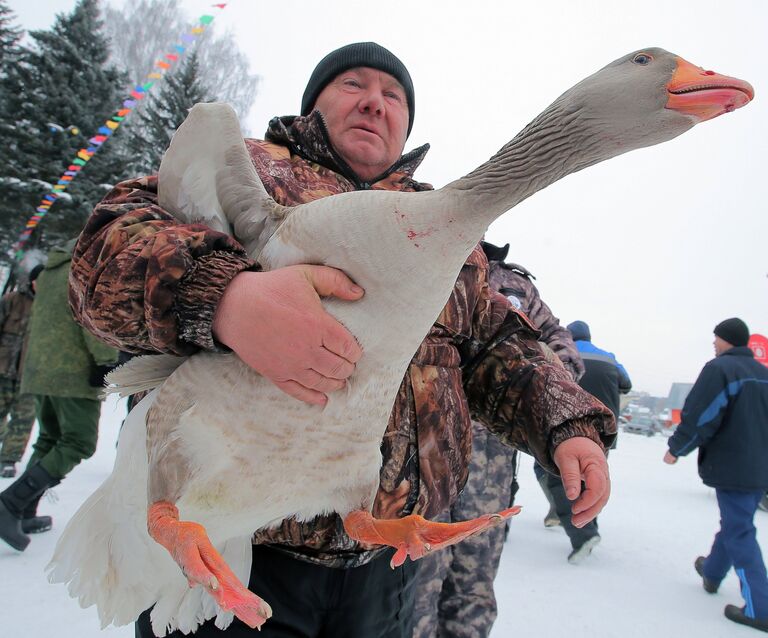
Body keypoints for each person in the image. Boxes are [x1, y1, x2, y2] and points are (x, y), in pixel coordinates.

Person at [68, 42, 616, 637]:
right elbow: (104, 252)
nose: (375, 104)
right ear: (314, 103)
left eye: (394, 97)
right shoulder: (253, 171)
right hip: (241, 555)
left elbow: (497, 344)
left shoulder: (449, 238)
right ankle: (169, 519)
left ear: (407, 125)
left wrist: (566, 426)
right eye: (354, 85)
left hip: (384, 568)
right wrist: (222, 296)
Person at [412, 240, 585, 638]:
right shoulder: (426, 258)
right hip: (423, 452)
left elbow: (560, 347)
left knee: (474, 575)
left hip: (490, 461)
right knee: (417, 576)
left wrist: (536, 385)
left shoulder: (515, 285)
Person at [0, 239, 118, 551]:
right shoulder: (86, 266)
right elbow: (92, 316)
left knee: (49, 438)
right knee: (78, 441)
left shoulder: (52, 269)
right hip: (73, 372)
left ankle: (24, 512)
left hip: (40, 369)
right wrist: (105, 360)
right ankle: (10, 503)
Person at [664, 317, 768, 633]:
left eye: (716, 338)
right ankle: (712, 571)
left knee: (739, 531)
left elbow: (701, 414)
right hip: (759, 467)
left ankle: (760, 608)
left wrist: (676, 448)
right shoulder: (764, 374)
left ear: (727, 340)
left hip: (734, 465)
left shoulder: (720, 369)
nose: (713, 343)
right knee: (736, 522)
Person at [532, 319, 632, 564]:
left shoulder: (564, 354)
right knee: (592, 476)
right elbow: (626, 384)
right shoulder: (609, 358)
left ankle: (583, 533)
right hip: (603, 431)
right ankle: (581, 520)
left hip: (568, 429)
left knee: (560, 478)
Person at [0, 263, 43, 478]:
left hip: (31, 374)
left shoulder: (50, 308)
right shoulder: (11, 301)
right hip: (3, 368)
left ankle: (9, 458)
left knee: (23, 419)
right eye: (38, 280)